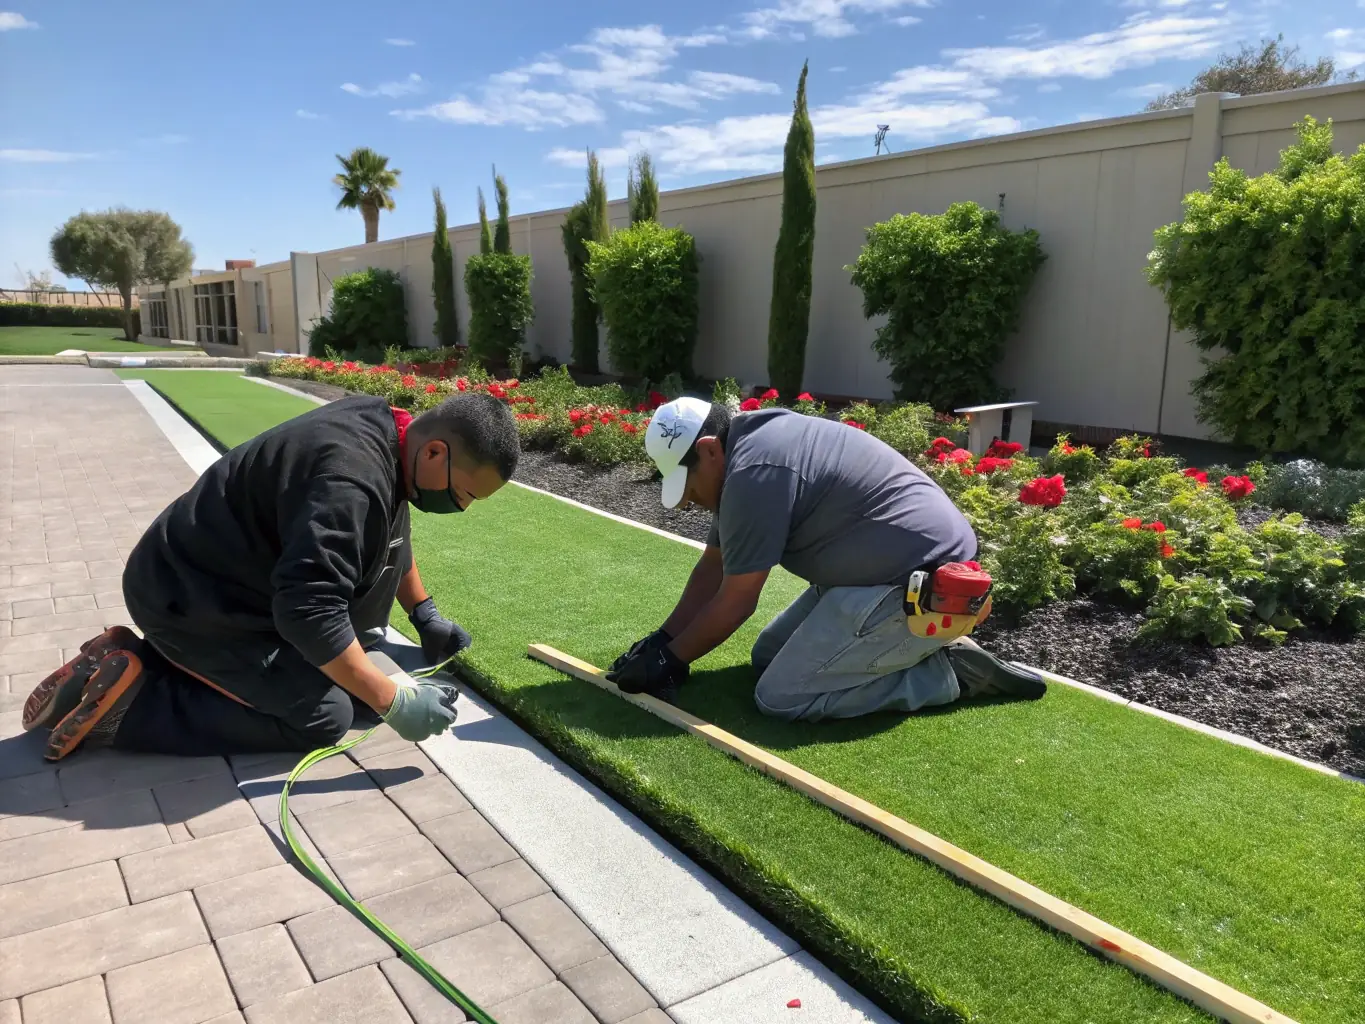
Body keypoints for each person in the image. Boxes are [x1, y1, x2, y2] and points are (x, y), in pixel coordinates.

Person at [23, 391, 519, 761]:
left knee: (351, 682)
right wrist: (394, 702)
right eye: (464, 495)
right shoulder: (350, 482)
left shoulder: (390, 432)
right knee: (325, 715)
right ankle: (132, 708)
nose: (461, 507)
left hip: (224, 586)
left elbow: (392, 532)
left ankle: (131, 661)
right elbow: (309, 612)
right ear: (434, 453)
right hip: (187, 597)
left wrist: (424, 613)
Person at [607, 397, 1045, 720]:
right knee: (769, 656)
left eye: (687, 484)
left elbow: (737, 601)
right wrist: (662, 640)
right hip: (880, 577)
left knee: (782, 696)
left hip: (924, 587)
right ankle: (913, 648)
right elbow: (713, 568)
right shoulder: (743, 451)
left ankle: (951, 673)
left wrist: (669, 661)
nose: (688, 500)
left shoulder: (753, 475)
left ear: (707, 450)